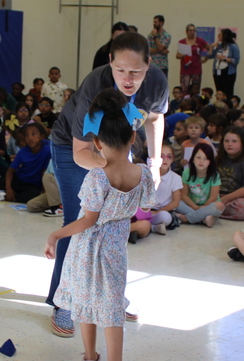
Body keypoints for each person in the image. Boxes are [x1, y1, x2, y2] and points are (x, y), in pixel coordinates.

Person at [47, 31, 169, 338]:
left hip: (115, 151)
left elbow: (154, 119)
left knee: (114, 227)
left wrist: (153, 163)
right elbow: (81, 152)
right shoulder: (95, 86)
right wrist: (114, 168)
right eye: (121, 71)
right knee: (81, 221)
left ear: (149, 65)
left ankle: (113, 296)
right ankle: (64, 302)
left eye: (136, 72)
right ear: (110, 62)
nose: (128, 80)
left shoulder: (156, 82)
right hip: (76, 149)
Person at [44, 88, 156, 361]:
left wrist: (56, 234)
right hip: (113, 250)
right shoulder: (142, 174)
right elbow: (145, 205)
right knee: (111, 308)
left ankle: (91, 360)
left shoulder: (96, 176)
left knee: (87, 302)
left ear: (96, 143)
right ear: (132, 139)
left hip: (85, 247)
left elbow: (87, 220)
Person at [0, 122, 51, 203]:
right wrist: (8, 188)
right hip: (19, 180)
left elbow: (44, 172)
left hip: (33, 185)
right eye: (27, 135)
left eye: (34, 134)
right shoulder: (23, 151)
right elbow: (10, 171)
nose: (30, 138)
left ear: (41, 136)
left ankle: (4, 196)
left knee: (33, 195)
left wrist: (44, 193)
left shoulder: (47, 150)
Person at [215, 126, 244, 220]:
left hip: (240, 198)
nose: (229, 144)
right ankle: (211, 210)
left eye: (234, 141)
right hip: (218, 195)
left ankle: (209, 211)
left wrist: (225, 199)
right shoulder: (218, 158)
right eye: (226, 141)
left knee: (242, 209)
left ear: (242, 143)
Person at [175, 142, 222, 227]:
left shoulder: (215, 175)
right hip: (192, 206)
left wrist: (203, 207)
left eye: (206, 158)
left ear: (210, 161)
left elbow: (213, 197)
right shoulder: (186, 173)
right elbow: (184, 195)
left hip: (208, 206)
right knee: (176, 201)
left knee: (219, 206)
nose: (201, 161)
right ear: (193, 159)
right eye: (198, 157)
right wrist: (196, 208)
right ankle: (204, 219)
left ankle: (185, 218)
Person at [178, 24, 209, 97]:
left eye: (194, 30)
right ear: (186, 31)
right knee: (185, 88)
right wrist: (184, 55)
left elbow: (209, 48)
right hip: (185, 69)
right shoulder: (182, 42)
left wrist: (205, 59)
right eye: (190, 30)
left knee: (195, 88)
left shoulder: (200, 40)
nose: (192, 32)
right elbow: (177, 55)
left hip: (196, 68)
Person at [210, 29, 240, 100]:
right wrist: (212, 46)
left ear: (225, 36)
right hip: (217, 71)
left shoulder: (233, 46)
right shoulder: (219, 46)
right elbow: (210, 56)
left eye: (220, 34)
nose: (218, 36)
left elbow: (236, 60)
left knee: (228, 92)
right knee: (219, 91)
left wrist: (224, 59)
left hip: (228, 72)